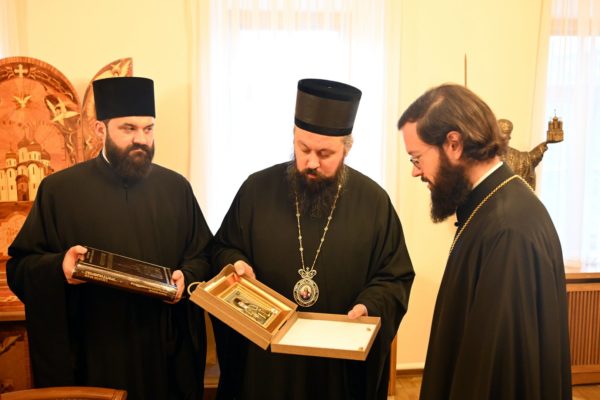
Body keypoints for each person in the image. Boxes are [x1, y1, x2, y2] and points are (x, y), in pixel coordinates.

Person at [7, 77, 213, 400]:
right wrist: (60, 267)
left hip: (160, 353)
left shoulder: (176, 188)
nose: (141, 139)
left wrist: (186, 277)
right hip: (92, 352)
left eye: (148, 129)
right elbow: (21, 268)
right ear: (100, 130)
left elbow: (204, 255)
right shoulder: (59, 191)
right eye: (128, 128)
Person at [211, 78, 415, 400]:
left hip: (335, 366)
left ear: (347, 148)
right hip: (267, 362)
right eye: (303, 148)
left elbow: (394, 276)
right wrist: (236, 263)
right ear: (293, 138)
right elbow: (222, 247)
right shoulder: (256, 190)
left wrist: (369, 305)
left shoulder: (374, 202)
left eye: (325, 153)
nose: (311, 163)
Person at [397, 83, 571, 399]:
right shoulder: (490, 206)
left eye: (417, 158)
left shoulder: (508, 230)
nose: (415, 172)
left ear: (453, 144)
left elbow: (498, 376)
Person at [497, 118, 548, 189]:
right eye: (503, 135)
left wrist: (543, 145)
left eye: (507, 136)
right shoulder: (485, 154)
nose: (506, 138)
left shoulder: (517, 156)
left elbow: (528, 159)